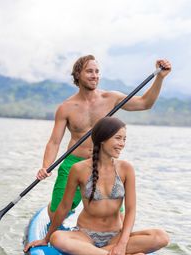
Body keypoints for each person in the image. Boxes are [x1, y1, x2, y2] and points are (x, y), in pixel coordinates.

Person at [37, 55, 172, 220]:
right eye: (89, 71)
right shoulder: (65, 108)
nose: (95, 75)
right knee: (56, 214)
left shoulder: (111, 98)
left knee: (117, 216)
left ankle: (112, 239)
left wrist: (159, 78)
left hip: (103, 163)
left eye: (97, 71)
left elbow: (145, 103)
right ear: (78, 74)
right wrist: (45, 166)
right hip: (73, 163)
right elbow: (54, 141)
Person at [24, 117, 169, 255]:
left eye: (124, 139)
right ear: (102, 139)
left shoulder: (126, 168)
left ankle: (89, 254)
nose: (122, 144)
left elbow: (131, 210)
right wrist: (47, 238)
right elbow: (64, 206)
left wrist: (122, 243)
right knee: (58, 239)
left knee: (161, 237)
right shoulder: (78, 169)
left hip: (116, 236)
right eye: (118, 138)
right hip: (85, 236)